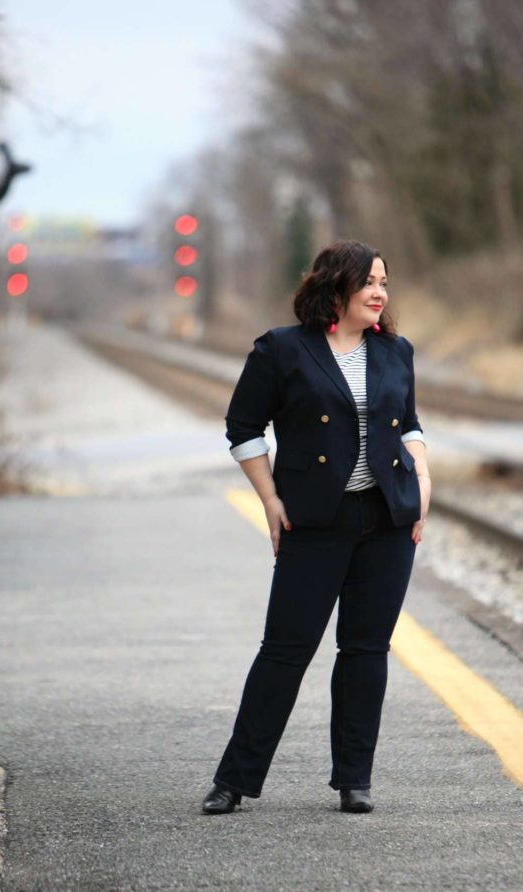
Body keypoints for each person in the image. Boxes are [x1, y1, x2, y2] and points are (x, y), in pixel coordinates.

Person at [202, 239, 431, 815]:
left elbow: (409, 424)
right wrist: (270, 499)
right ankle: (235, 779)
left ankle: (355, 779)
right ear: (337, 286)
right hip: (315, 522)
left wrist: (422, 488)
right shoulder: (282, 349)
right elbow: (243, 427)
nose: (380, 292)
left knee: (365, 649)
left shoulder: (395, 352)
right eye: (370, 282)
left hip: (386, 520)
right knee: (285, 649)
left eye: (385, 282)